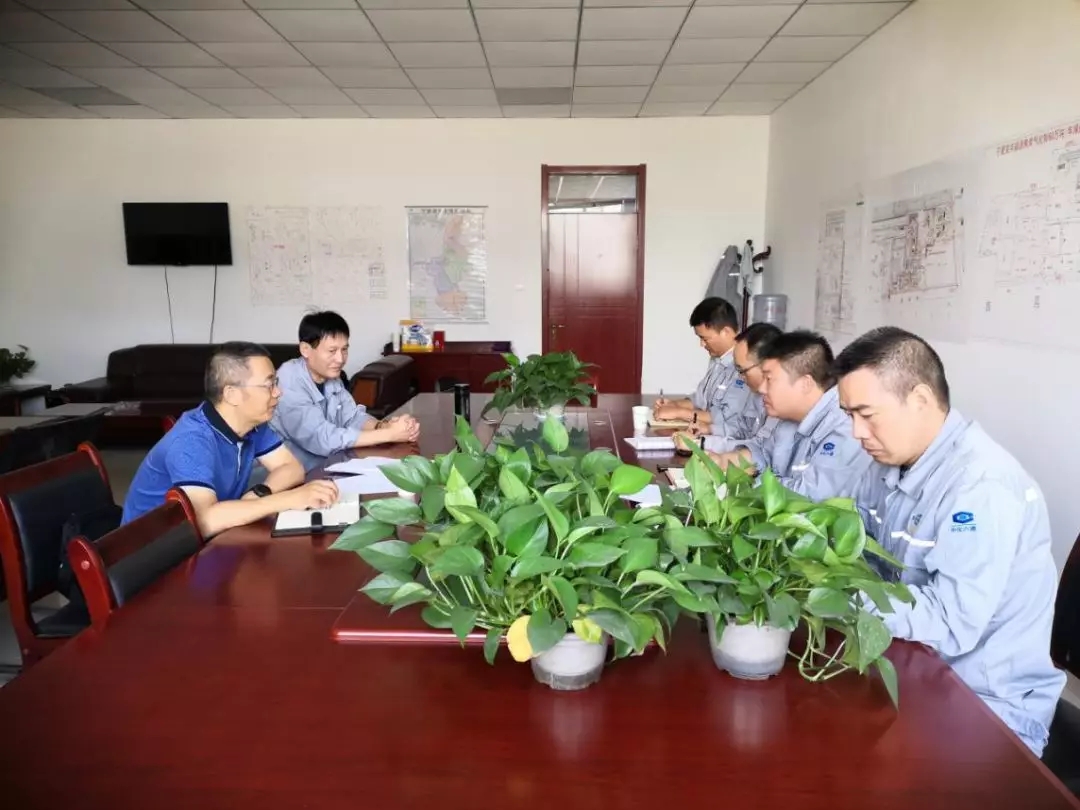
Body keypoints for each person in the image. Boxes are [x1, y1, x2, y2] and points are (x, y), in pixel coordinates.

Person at [834, 326, 1064, 757]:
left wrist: (840, 598)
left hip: (986, 705)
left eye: (866, 414)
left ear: (920, 400)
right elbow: (858, 547)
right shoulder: (887, 462)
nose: (856, 432)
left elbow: (952, 622)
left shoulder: (981, 486)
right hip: (916, 668)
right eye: (849, 415)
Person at [123, 342, 339, 536]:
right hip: (148, 552)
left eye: (276, 383)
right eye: (269, 385)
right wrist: (290, 499)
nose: (278, 392)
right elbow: (206, 521)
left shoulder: (254, 424)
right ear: (232, 394)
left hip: (200, 538)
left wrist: (259, 494)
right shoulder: (192, 440)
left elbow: (291, 468)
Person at [704, 330, 870, 500]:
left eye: (769, 379)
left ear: (805, 383)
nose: (762, 389)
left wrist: (747, 479)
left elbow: (808, 497)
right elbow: (762, 453)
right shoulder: (788, 417)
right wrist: (723, 462)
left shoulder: (845, 427)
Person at [271, 311, 419, 471]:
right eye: (332, 351)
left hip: (325, 466)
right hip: (289, 475)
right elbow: (321, 439)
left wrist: (384, 426)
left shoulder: (330, 376)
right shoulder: (288, 381)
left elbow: (352, 417)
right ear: (305, 349)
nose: (340, 359)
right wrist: (389, 435)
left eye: (344, 350)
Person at [653, 297, 756, 438]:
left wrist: (679, 413)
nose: (701, 344)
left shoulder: (743, 366)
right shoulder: (717, 360)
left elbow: (727, 417)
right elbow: (700, 400)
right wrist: (674, 405)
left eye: (705, 338)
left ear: (725, 332)